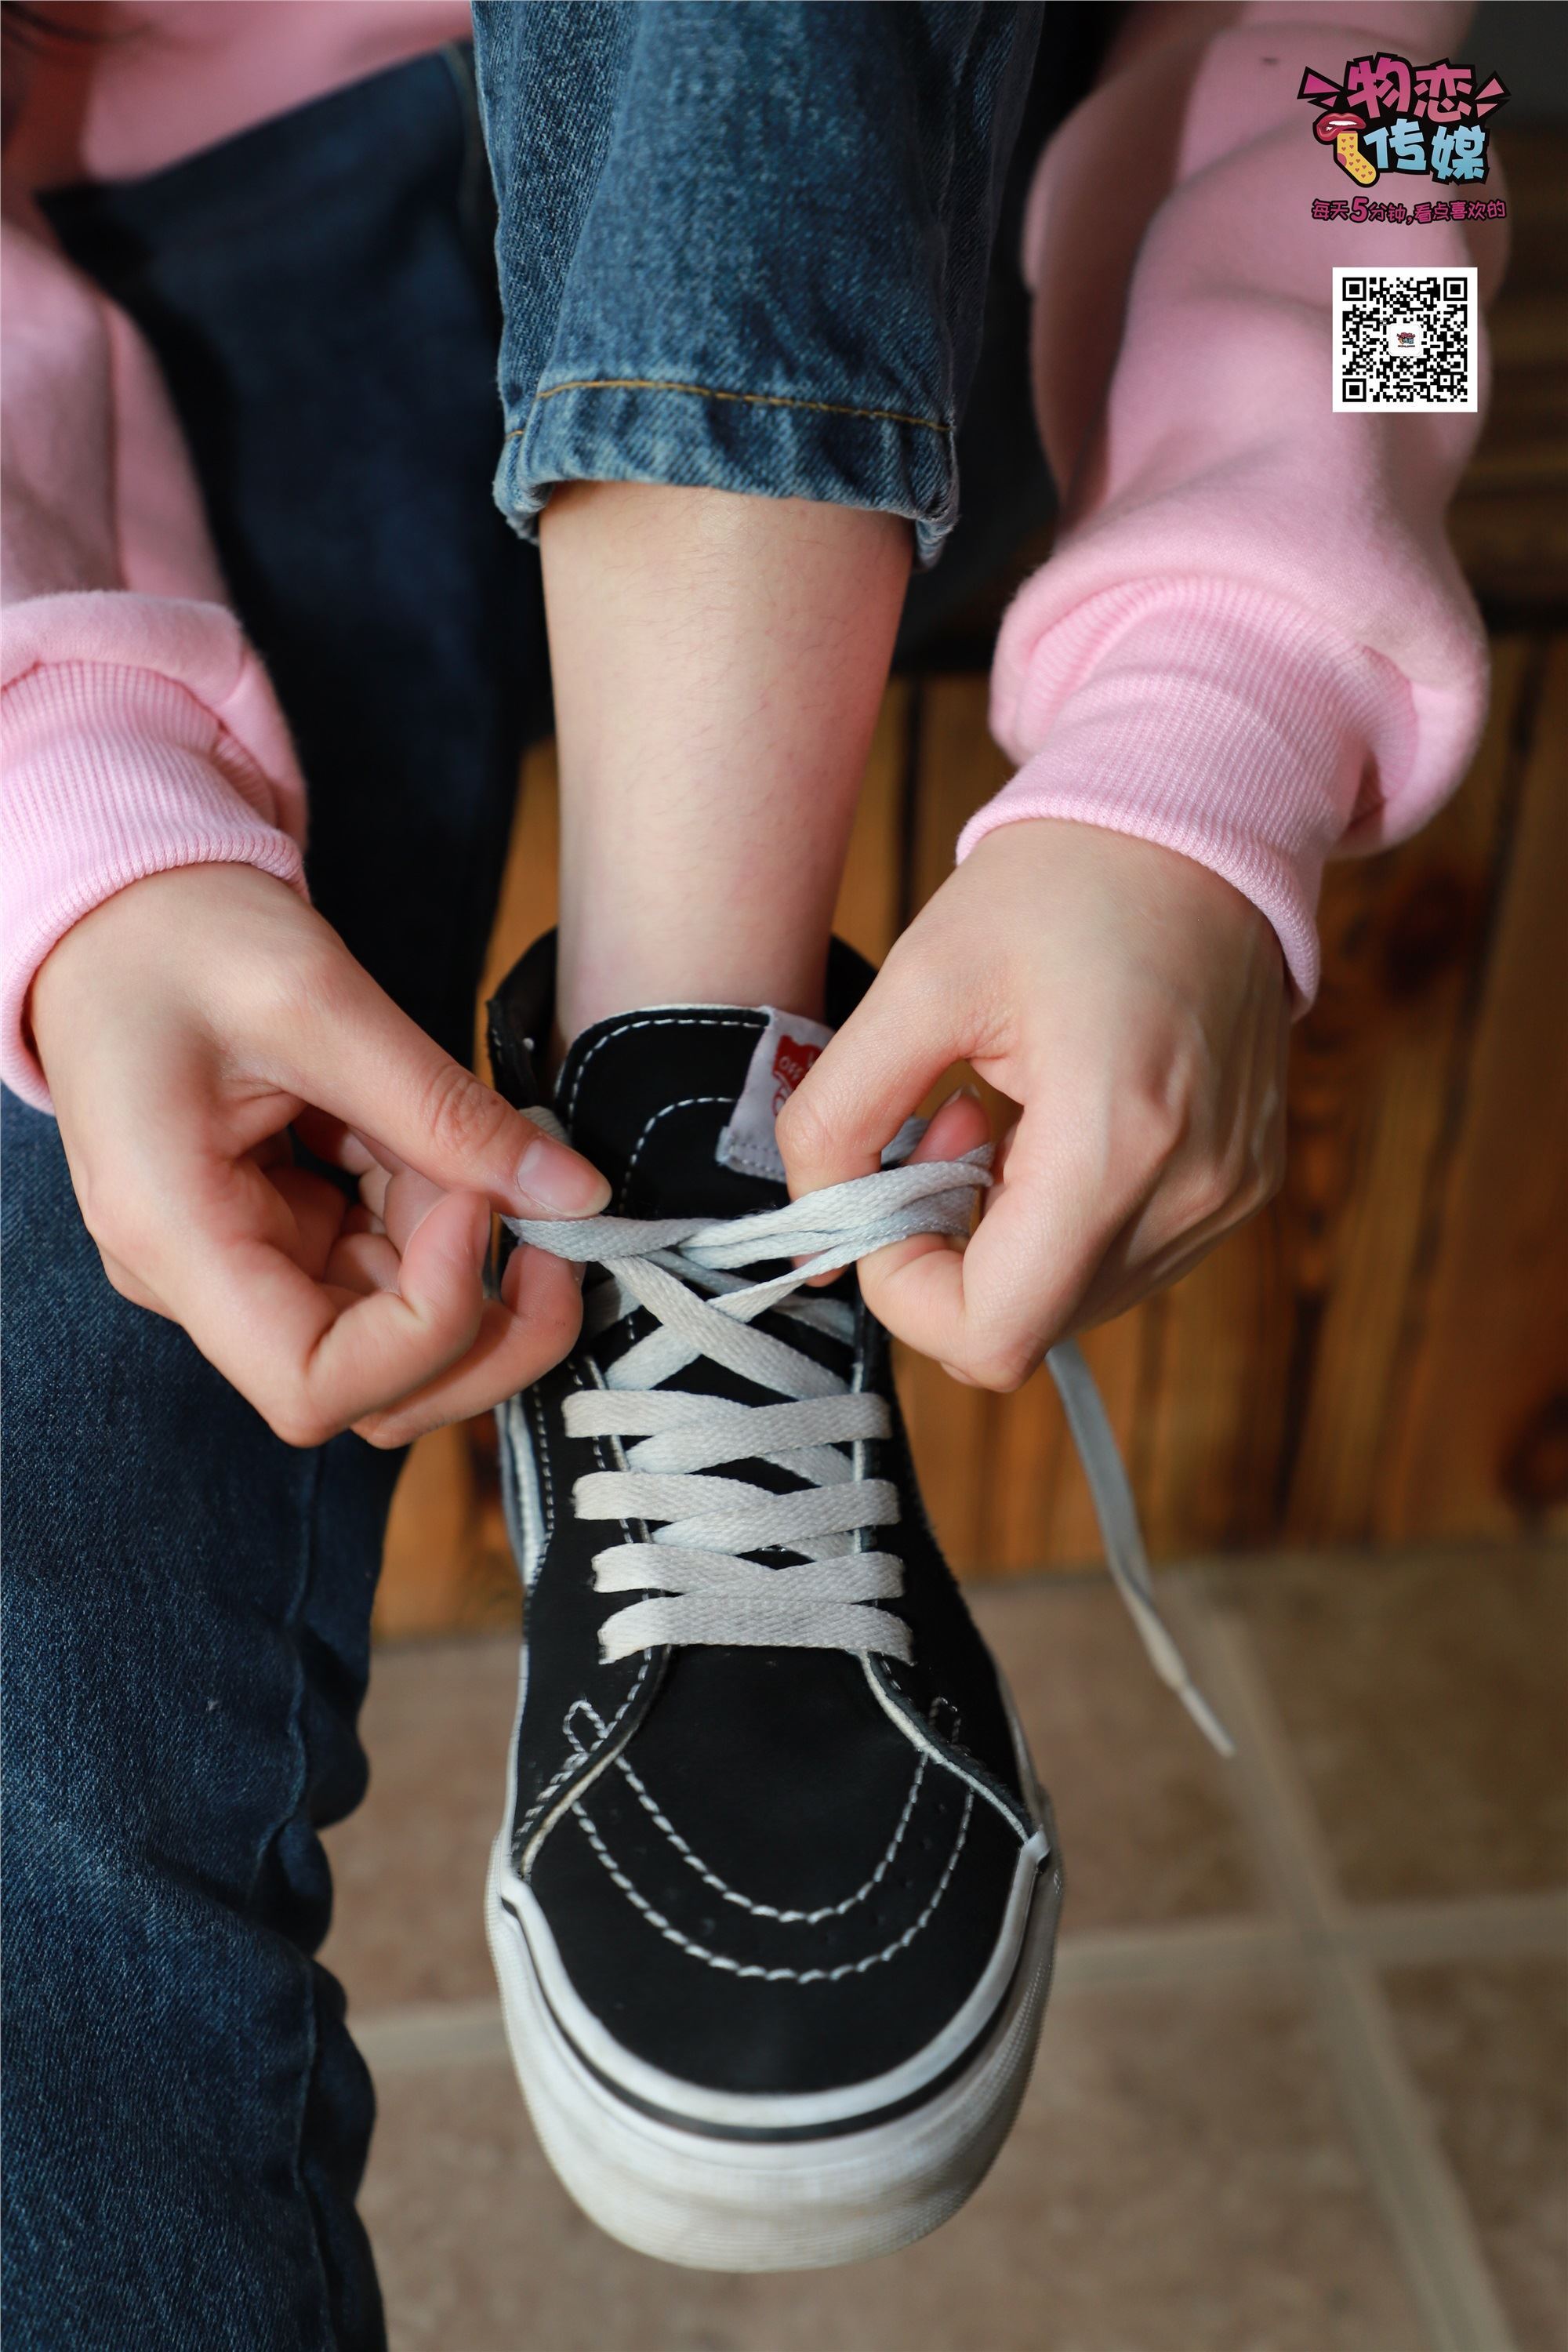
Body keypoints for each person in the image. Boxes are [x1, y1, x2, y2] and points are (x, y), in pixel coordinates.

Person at [2, 1, 1501, 2342]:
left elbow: (1396, 81)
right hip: (136, 299)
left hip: (923, 232)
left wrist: (1238, 691)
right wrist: (57, 804)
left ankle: (689, 1112)